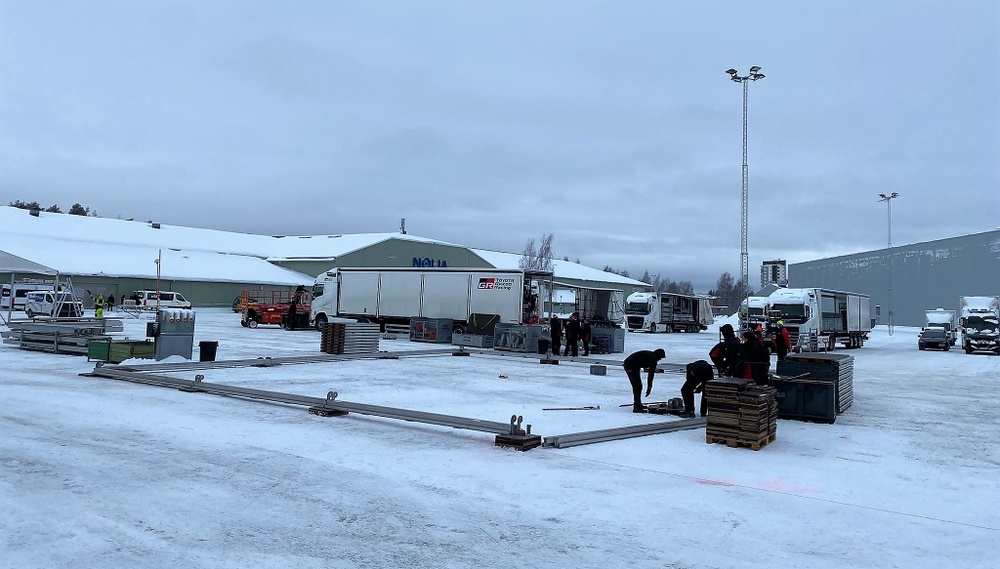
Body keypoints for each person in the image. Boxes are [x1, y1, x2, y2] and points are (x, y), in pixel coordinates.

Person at [623, 348, 666, 413]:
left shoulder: (652, 357)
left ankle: (638, 404)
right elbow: (651, 374)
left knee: (638, 386)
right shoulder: (652, 358)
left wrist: (649, 387)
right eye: (660, 358)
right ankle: (636, 406)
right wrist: (649, 387)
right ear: (658, 356)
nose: (660, 359)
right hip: (629, 365)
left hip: (635, 366)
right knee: (637, 386)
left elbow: (651, 374)